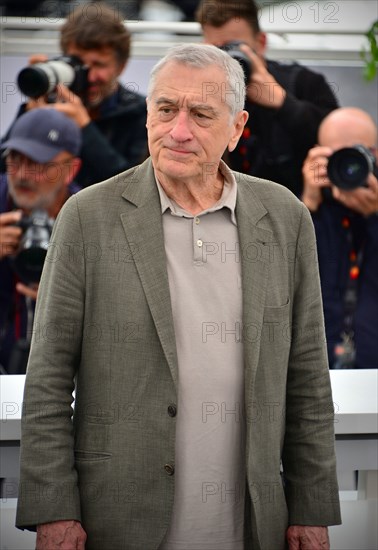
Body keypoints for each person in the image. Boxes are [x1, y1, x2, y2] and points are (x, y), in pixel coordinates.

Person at [16, 44, 341, 549]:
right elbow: (48, 381)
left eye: (201, 114)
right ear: (149, 114)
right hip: (118, 523)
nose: (178, 131)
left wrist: (311, 511)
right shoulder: (87, 217)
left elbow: (308, 379)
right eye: (165, 109)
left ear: (236, 128)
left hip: (254, 525)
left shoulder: (284, 217)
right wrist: (54, 510)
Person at [196, 0, 339, 197]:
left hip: (292, 206)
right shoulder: (196, 91)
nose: (227, 60)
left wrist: (282, 102)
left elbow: (336, 139)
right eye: (217, 51)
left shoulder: (304, 83)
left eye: (235, 48)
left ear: (261, 43)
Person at [1, 2, 147, 188]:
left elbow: (133, 187)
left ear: (121, 66)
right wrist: (30, 113)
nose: (89, 76)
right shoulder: (51, 104)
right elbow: (4, 168)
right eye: (78, 63)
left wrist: (84, 127)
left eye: (99, 64)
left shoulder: (140, 113)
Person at [0, 108, 82, 374]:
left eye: (38, 164)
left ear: (71, 170)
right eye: (15, 158)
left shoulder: (93, 215)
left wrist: (73, 300)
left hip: (65, 374)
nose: (22, 174)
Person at [302, 107, 378, 369]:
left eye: (358, 154)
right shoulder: (307, 213)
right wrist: (309, 202)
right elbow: (280, 275)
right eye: (335, 156)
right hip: (317, 367)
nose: (348, 165)